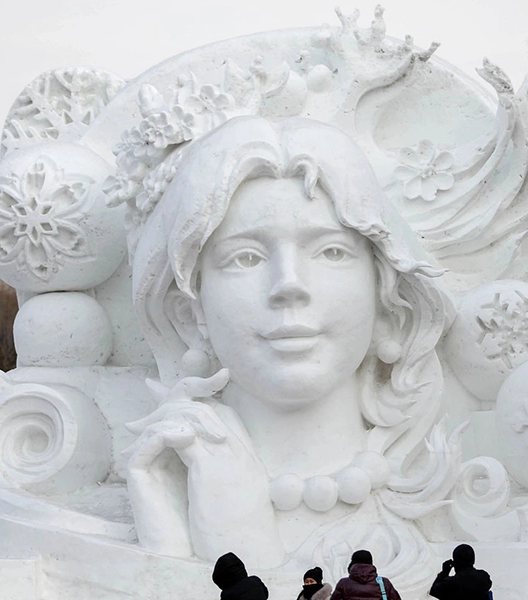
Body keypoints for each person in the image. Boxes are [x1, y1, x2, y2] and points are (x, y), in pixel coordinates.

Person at [125, 116, 449, 568]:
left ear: (388, 301)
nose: (288, 285)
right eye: (245, 257)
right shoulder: (155, 484)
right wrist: (169, 547)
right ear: (189, 314)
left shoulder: (450, 504)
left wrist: (240, 539)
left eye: (331, 251)